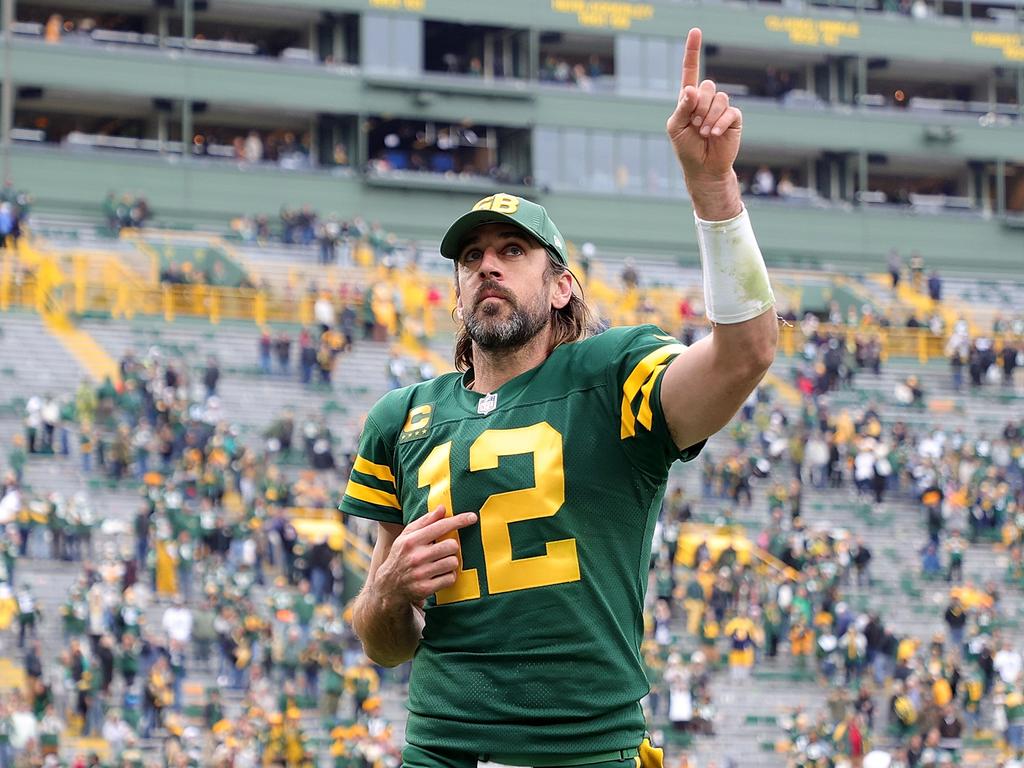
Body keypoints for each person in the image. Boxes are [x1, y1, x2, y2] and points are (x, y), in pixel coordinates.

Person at [342, 28, 778, 768]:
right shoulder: (401, 418)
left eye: (513, 252)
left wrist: (712, 188)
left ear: (561, 283)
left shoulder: (612, 376)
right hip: (441, 749)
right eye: (472, 258)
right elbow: (386, 644)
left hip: (583, 750)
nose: (488, 268)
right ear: (455, 291)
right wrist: (384, 594)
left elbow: (747, 353)